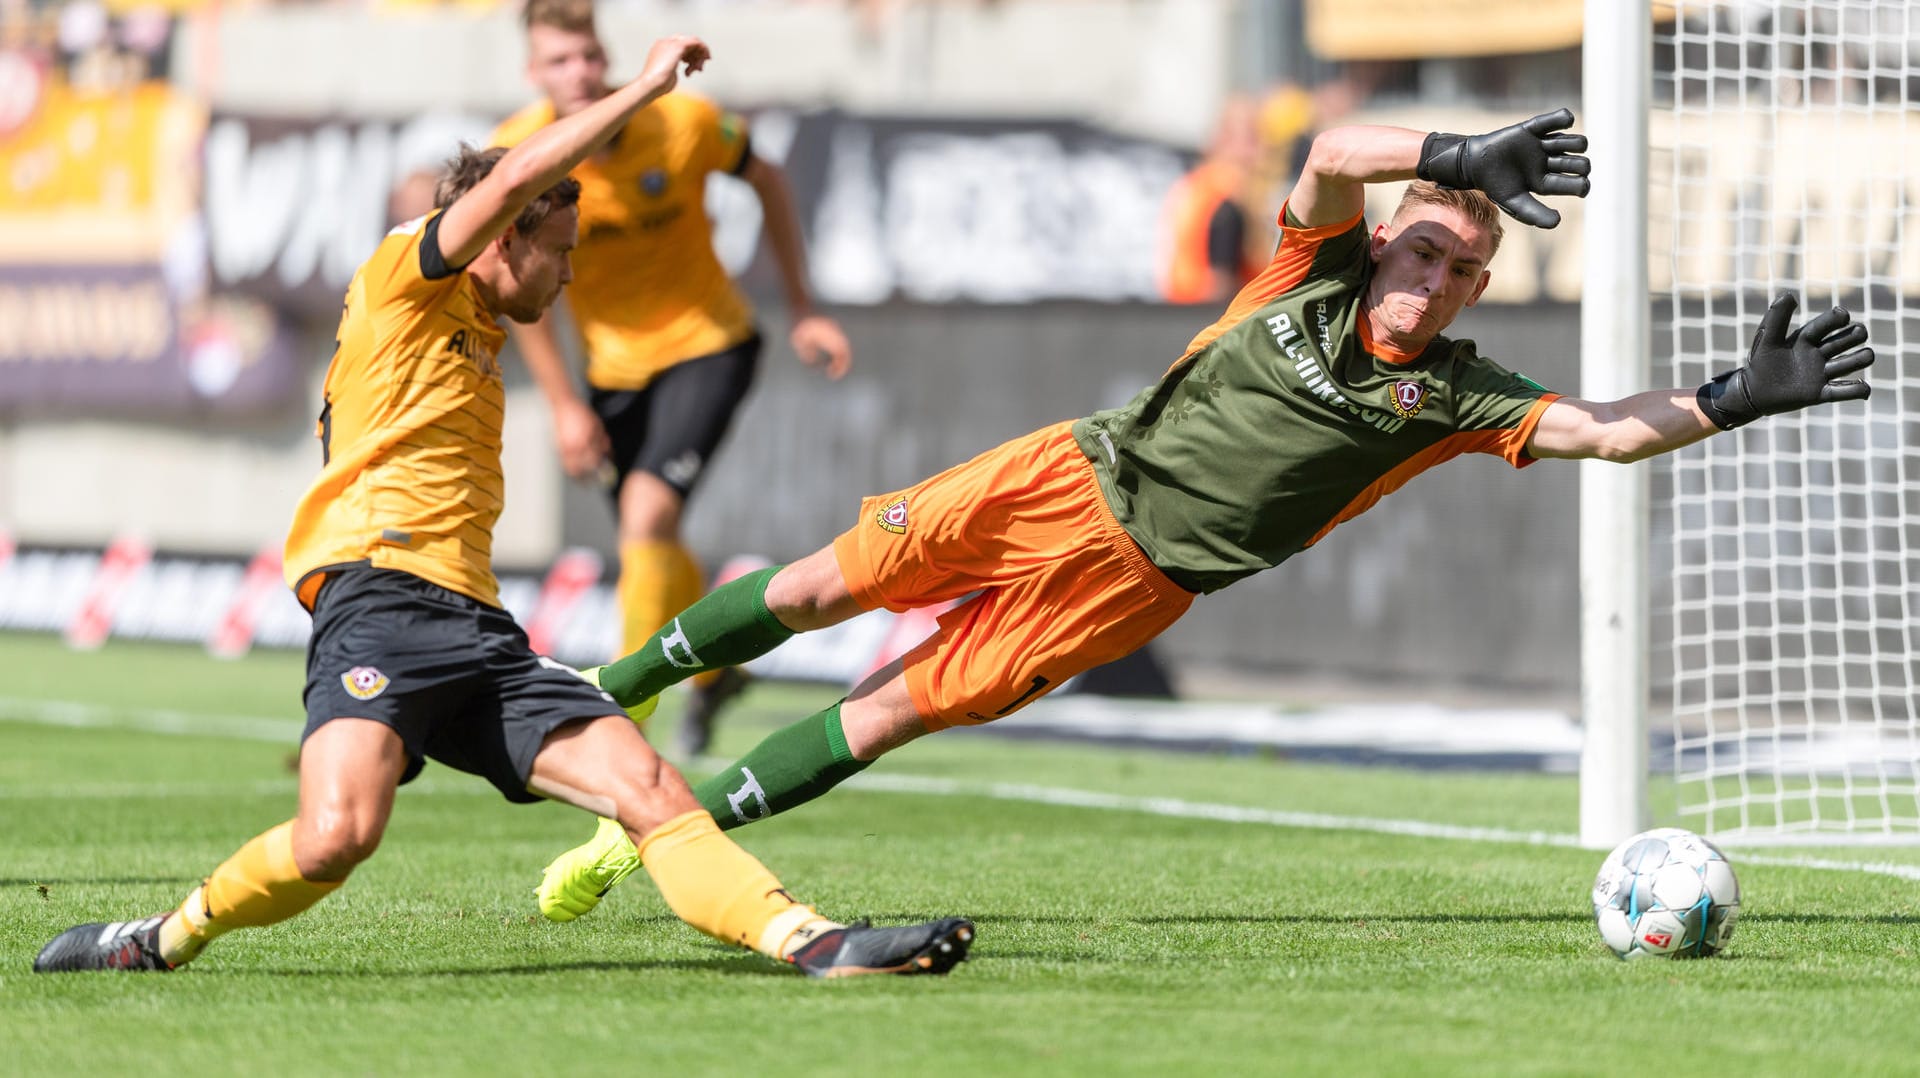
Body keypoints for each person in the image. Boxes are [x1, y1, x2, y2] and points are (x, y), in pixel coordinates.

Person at [530, 108, 1877, 924]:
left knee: (890, 706)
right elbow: (1328, 153)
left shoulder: (1461, 396)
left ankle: (654, 833)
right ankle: (614, 687)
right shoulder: (1309, 266)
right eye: (1426, 246)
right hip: (1061, 472)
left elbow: (1595, 431)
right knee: (824, 585)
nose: (1437, 277)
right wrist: (1455, 150)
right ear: (1391, 242)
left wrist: (1724, 397)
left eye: (1463, 268)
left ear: (1475, 291)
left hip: (1136, 582)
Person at [32, 35, 972, 979]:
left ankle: (812, 943)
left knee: (647, 786)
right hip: (381, 607)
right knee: (334, 840)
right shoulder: (406, 278)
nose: (568, 276)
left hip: (481, 635)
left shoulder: (479, 325)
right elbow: (524, 167)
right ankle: (156, 941)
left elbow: (534, 206)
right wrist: (643, 88)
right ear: (502, 234)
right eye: (558, 252)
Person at [492, 0, 853, 758]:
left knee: (645, 520)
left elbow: (770, 179)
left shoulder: (684, 125)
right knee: (656, 534)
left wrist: (805, 308)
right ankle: (713, 674)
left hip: (709, 341)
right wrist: (563, 406)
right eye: (559, 61)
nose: (580, 72)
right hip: (612, 373)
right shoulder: (522, 154)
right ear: (533, 73)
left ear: (606, 54)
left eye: (589, 54)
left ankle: (622, 718)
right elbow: (520, 298)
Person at [1160, 93, 1266, 305]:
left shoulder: (1194, 184)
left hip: (1181, 307)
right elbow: (1222, 280)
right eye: (1254, 138)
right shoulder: (1226, 199)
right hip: (1208, 313)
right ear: (1226, 141)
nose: (1262, 151)